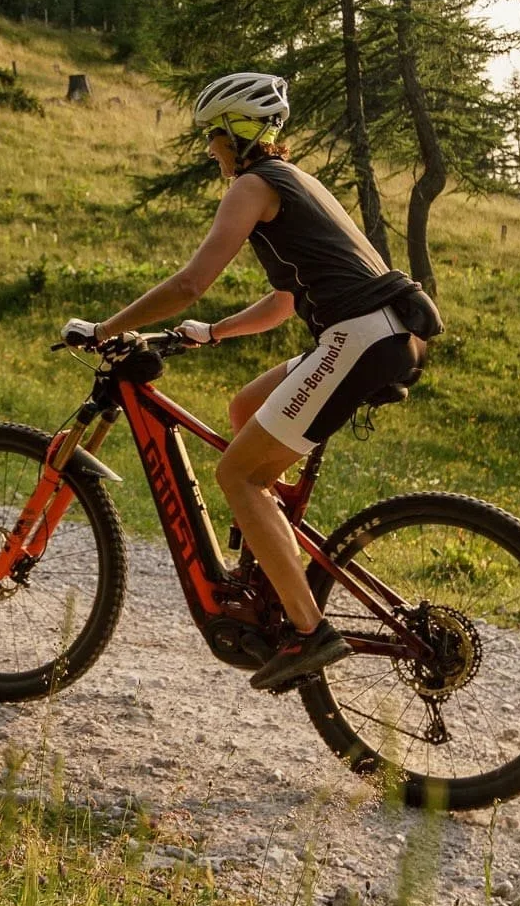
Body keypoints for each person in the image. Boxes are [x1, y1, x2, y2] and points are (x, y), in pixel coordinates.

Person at [62, 70, 439, 693]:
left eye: (213, 136)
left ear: (236, 134)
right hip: (386, 333)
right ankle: (272, 559)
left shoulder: (252, 185)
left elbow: (189, 282)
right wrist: (213, 333)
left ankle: (308, 631)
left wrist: (106, 328)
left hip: (361, 336)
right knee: (246, 408)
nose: (210, 148)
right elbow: (288, 300)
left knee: (238, 475)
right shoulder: (296, 182)